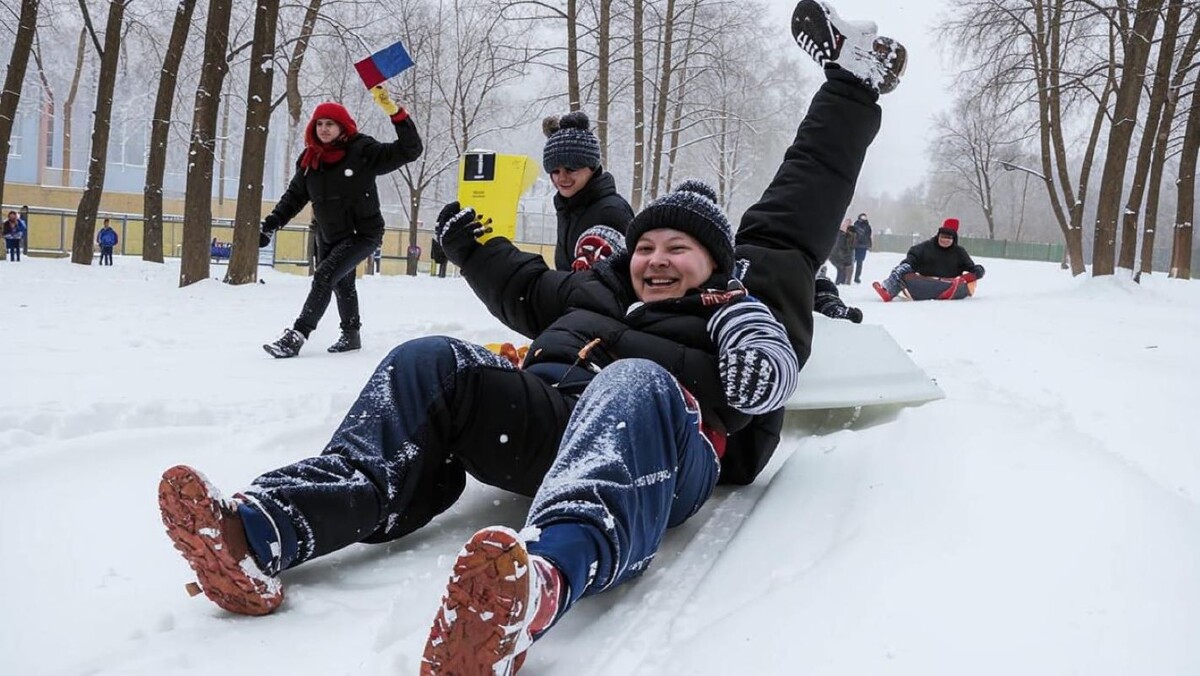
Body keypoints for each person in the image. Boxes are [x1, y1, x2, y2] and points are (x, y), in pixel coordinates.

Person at [155, 2, 902, 673]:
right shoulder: (599, 288)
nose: (656, 258)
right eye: (646, 247)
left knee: (633, 380)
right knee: (431, 358)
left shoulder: (740, 300)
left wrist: (849, 90)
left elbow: (801, 215)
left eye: (680, 248)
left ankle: (531, 592)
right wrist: (470, 246)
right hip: (548, 425)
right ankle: (259, 533)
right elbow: (524, 287)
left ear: (715, 261)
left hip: (661, 451)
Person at [260, 85, 423, 358]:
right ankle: (351, 335)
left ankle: (297, 335)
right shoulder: (310, 158)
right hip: (328, 234)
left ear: (342, 126)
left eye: (330, 124)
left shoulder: (362, 150)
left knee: (325, 276)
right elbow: (294, 196)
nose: (324, 129)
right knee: (341, 282)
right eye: (319, 123)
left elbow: (410, 149)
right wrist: (271, 224)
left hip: (363, 233)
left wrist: (396, 114)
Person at [542, 111, 635, 271]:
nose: (562, 178)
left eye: (571, 169)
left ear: (592, 167)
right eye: (555, 172)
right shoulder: (568, 209)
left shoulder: (610, 212)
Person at [872, 217, 986, 301]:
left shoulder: (959, 252)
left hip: (948, 283)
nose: (945, 240)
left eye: (948, 238)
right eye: (942, 237)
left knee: (961, 285)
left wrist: (977, 272)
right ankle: (888, 290)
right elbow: (913, 257)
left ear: (953, 239)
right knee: (902, 270)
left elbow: (973, 268)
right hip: (925, 283)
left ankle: (946, 291)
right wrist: (907, 264)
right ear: (938, 236)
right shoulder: (926, 247)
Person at [829, 217, 855, 284]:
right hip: (837, 256)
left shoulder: (849, 235)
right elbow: (839, 247)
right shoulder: (841, 235)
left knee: (843, 270)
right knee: (841, 269)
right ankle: (838, 283)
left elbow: (849, 248)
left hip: (842, 256)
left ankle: (841, 283)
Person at [849, 211, 872, 283]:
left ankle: (857, 278)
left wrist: (869, 244)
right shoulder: (856, 225)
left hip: (863, 247)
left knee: (860, 263)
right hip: (855, 246)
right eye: (862, 217)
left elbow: (868, 236)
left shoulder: (867, 226)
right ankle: (848, 278)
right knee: (852, 262)